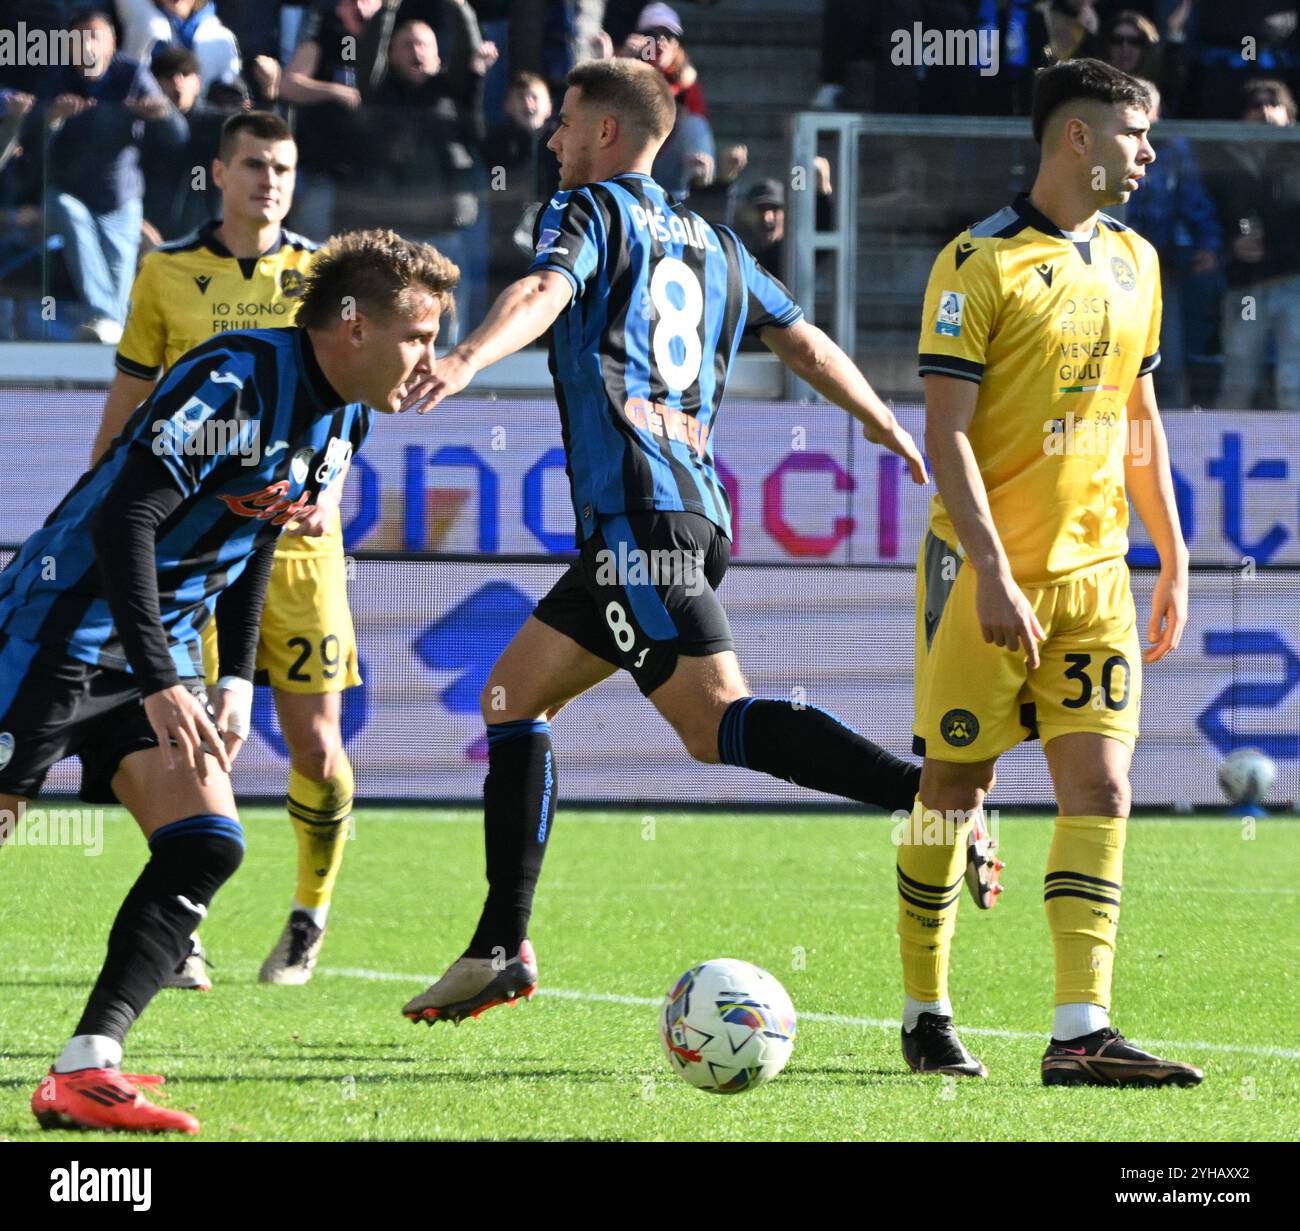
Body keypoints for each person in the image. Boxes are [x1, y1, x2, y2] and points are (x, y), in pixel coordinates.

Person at [396, 57, 931, 1027]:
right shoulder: (719, 245)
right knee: (511, 695)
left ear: (606, 133)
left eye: (564, 122)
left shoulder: (592, 214)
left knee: (713, 719)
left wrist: (469, 355)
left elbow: (545, 291)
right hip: (681, 522)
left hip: (638, 529)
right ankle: (498, 944)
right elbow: (802, 338)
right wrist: (880, 419)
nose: (552, 140)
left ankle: (928, 794)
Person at [0, 229, 457, 1133]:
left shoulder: (348, 414)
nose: (429, 361)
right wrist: (171, 678)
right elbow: (124, 517)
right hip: (57, 631)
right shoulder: (238, 378)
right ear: (354, 325)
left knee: (207, 841)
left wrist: (235, 678)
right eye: (419, 336)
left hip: (154, 650)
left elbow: (257, 532)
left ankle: (86, 1068)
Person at [907, 58, 1202, 1086]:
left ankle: (1079, 1031)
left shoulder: (1136, 260)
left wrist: (1169, 550)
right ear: (1076, 138)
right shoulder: (975, 263)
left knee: (1103, 786)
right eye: (1135, 133)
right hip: (983, 573)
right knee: (954, 782)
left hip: (1096, 576)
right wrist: (988, 571)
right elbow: (943, 439)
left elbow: (1139, 418)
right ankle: (925, 1010)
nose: (1148, 152)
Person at [91, 111, 367, 988]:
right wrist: (96, 505)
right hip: (196, 546)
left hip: (293, 547)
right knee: (188, 730)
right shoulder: (166, 274)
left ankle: (308, 914)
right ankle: (187, 920)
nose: (270, 181)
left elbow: (349, 408)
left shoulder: (324, 276)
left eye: (283, 167)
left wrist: (322, 492)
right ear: (219, 173)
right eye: (254, 165)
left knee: (315, 745)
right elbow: (129, 406)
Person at [39, 9, 184, 339]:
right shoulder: (56, 76)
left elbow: (177, 136)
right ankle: (105, 321)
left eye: (95, 38)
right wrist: (53, 119)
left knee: (118, 288)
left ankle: (109, 341)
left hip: (120, 196)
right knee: (70, 217)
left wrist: (163, 113)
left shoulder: (131, 74)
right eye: (79, 40)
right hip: (69, 191)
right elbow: (31, 144)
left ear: (112, 44)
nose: (87, 47)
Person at [1207, 78, 1300, 409]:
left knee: (1294, 385)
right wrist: (1229, 249)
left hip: (1294, 284)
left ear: (1289, 114)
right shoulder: (1223, 163)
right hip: (1246, 286)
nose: (1264, 112)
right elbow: (1203, 218)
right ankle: (1225, 458)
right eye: (1254, 106)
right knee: (1238, 380)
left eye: (1273, 104)